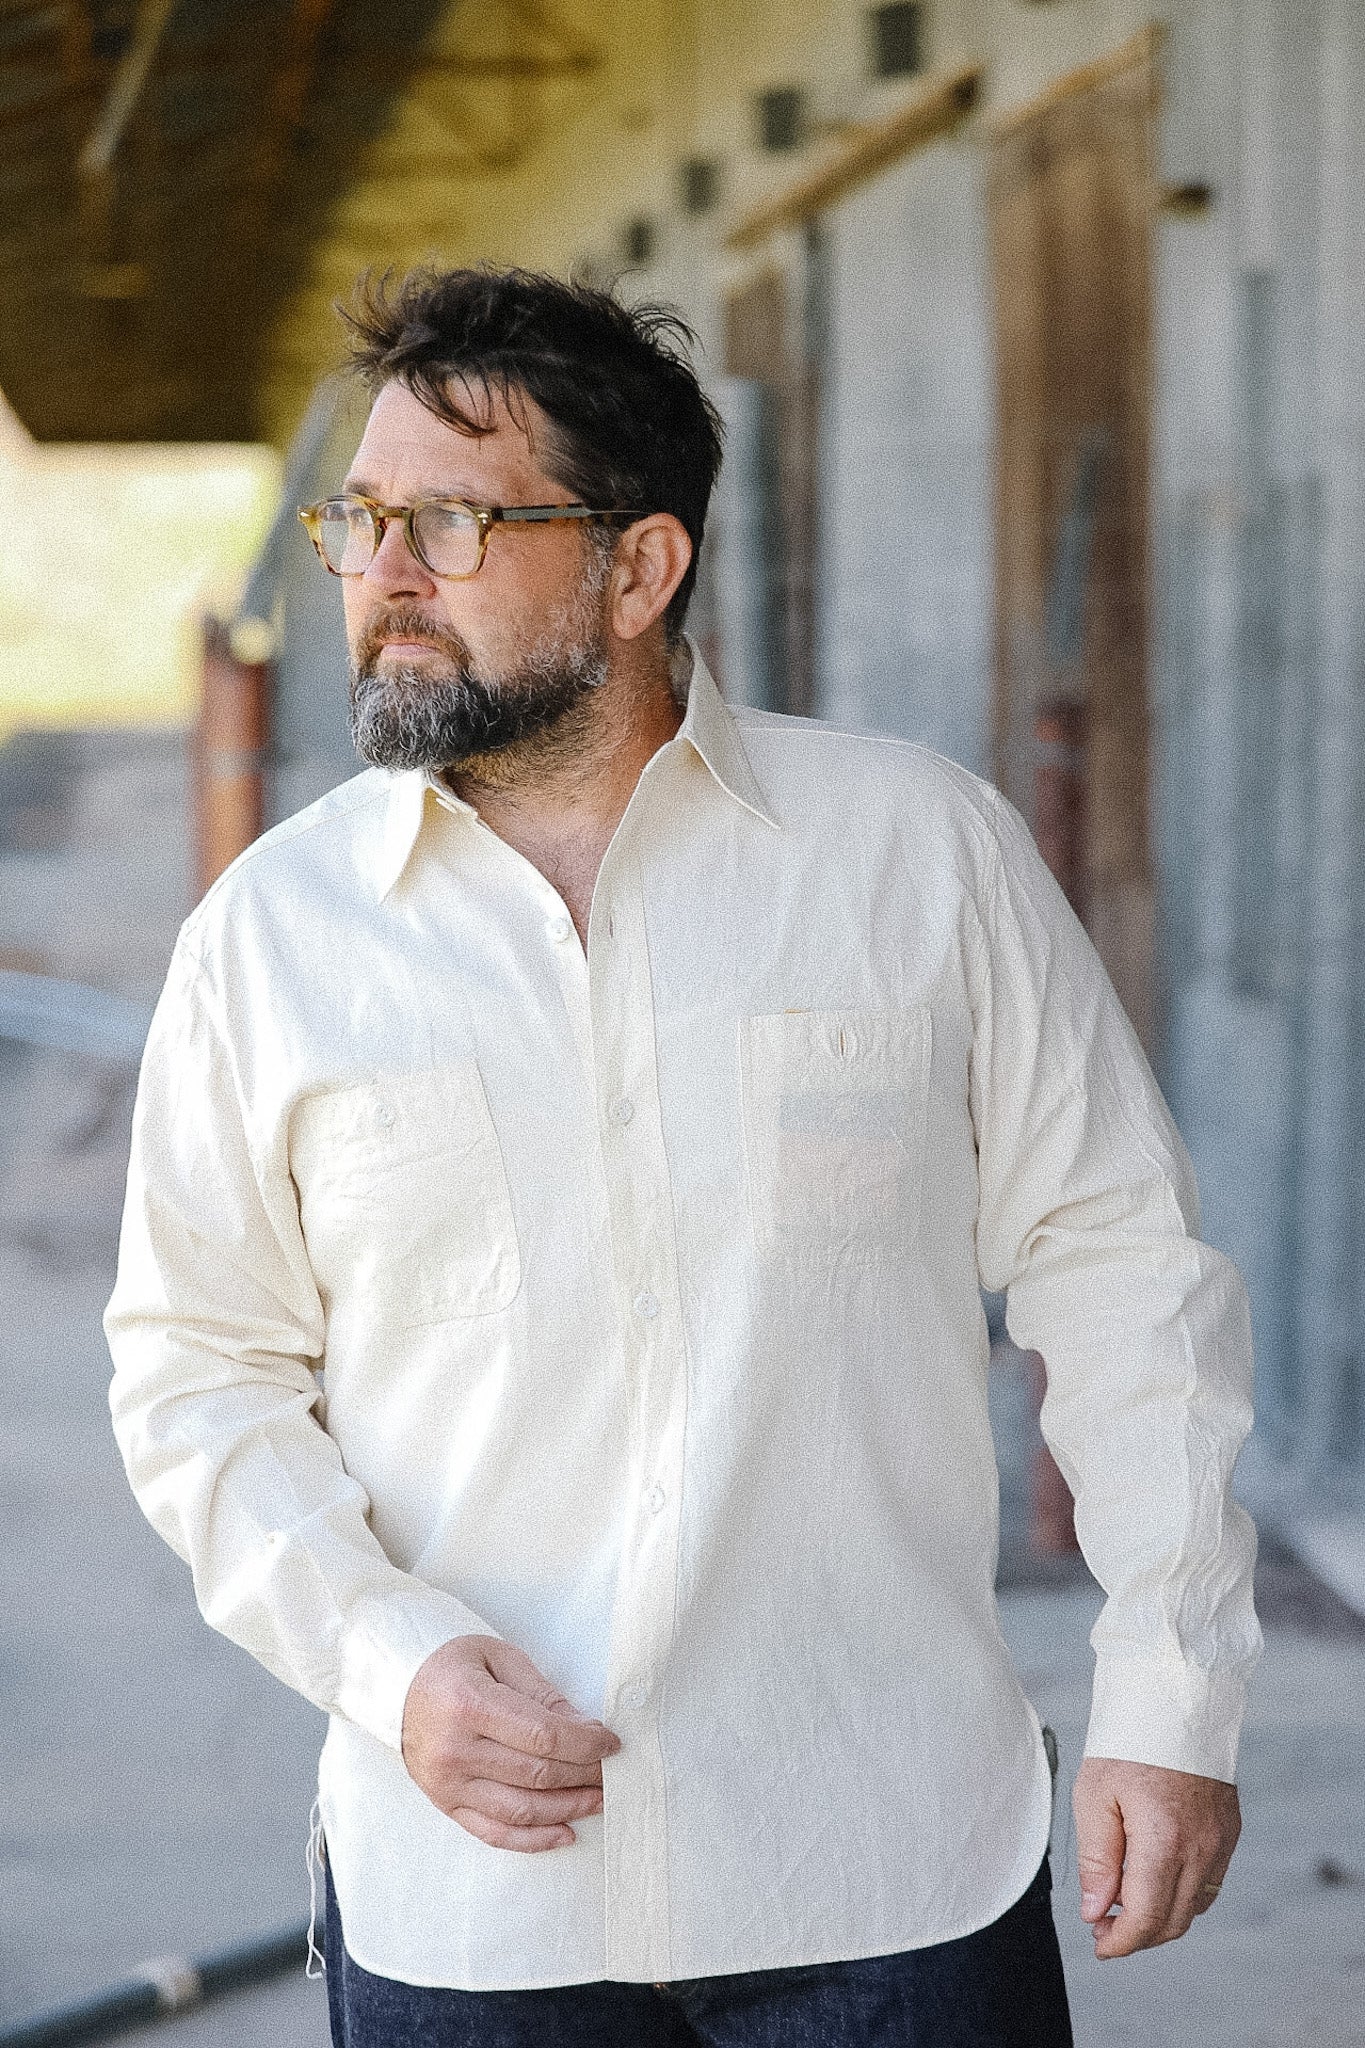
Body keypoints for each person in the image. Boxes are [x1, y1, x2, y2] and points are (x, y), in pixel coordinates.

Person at [106, 266, 1259, 2048]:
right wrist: (381, 1659)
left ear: (639, 571)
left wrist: (1169, 1698)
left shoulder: (913, 858)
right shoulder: (270, 939)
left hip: (889, 1871)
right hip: (473, 1909)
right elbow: (195, 1379)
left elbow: (1119, 1266)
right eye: (361, 519)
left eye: (454, 522)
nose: (382, 577)